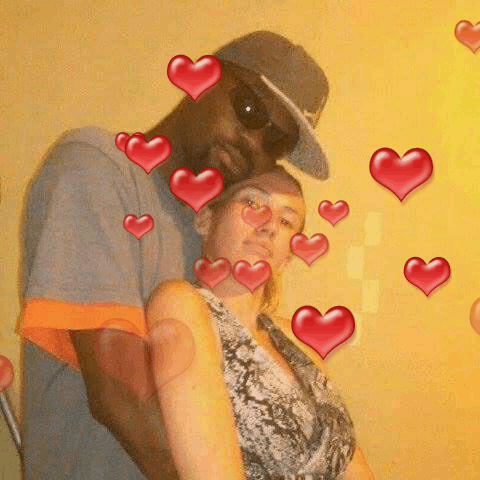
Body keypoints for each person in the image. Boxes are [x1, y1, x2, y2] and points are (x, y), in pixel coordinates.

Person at [18, 31, 333, 479]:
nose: (254, 144)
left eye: (276, 143)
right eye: (250, 110)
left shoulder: (216, 230)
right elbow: (120, 393)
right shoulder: (97, 169)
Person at [146, 166, 375, 479]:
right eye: (251, 203)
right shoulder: (182, 305)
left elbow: (352, 462)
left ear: (287, 258)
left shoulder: (297, 339)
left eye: (286, 221)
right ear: (206, 219)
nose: (268, 225)